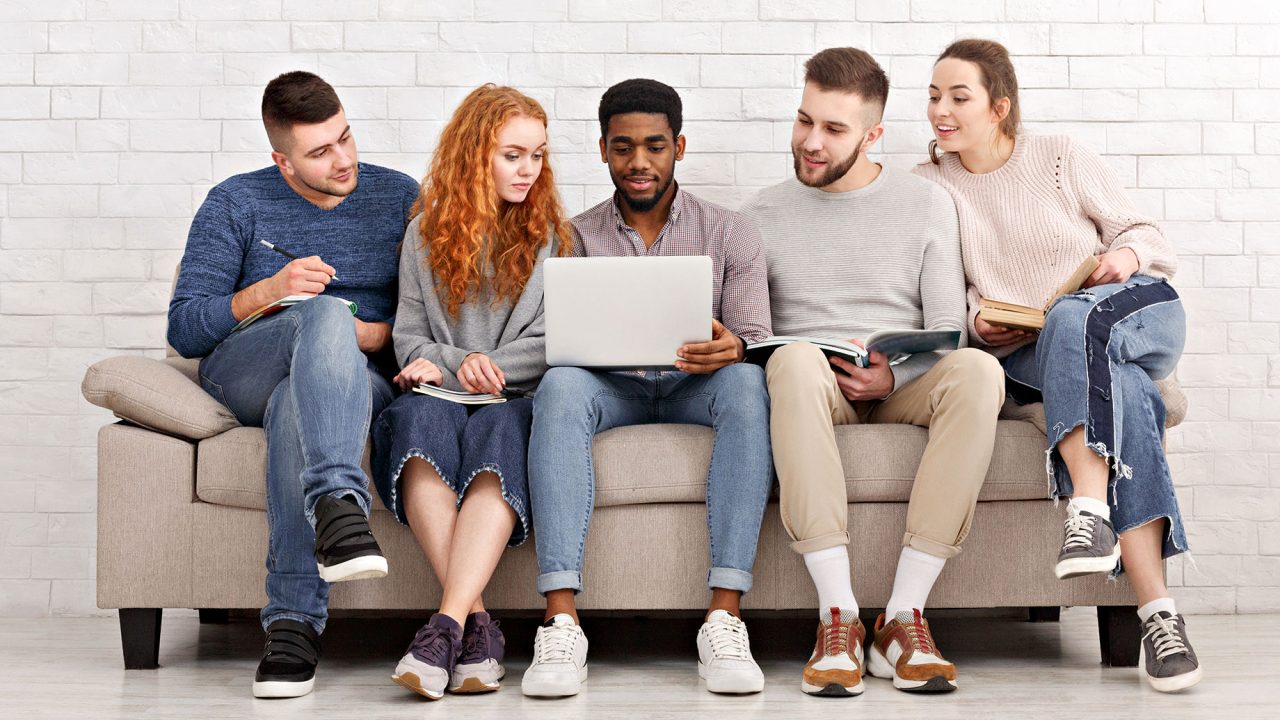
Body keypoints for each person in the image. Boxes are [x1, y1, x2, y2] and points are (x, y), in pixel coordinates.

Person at [913, 38, 1200, 693]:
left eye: (958, 96)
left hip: (1134, 310)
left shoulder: (1060, 157)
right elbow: (935, 295)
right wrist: (975, 325)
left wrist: (1122, 260)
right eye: (933, 95)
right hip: (1034, 349)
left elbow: (1147, 236)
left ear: (1000, 106)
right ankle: (1158, 616)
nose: (940, 110)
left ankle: (1088, 510)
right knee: (1128, 394)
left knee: (1075, 314)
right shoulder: (928, 189)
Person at [742, 48, 1006, 696]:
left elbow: (948, 324)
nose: (810, 141)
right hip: (811, 382)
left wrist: (894, 375)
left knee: (977, 370)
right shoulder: (758, 215)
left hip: (900, 383)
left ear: (873, 134)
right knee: (794, 358)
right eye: (804, 121)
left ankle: (903, 617)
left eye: (833, 129)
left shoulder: (926, 203)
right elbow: (751, 336)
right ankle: (839, 619)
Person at [166, 71, 420, 698]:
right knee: (315, 324)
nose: (343, 160)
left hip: (356, 379)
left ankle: (292, 623)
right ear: (281, 159)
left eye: (345, 138)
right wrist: (270, 291)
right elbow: (187, 329)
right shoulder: (235, 202)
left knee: (296, 403)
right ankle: (338, 502)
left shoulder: (399, 197)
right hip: (248, 366)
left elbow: (428, 316)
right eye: (319, 152)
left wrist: (363, 332)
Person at [521, 78, 774, 698]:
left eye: (655, 146)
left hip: (698, 385)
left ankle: (724, 617)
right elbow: (552, 335)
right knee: (557, 387)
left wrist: (734, 346)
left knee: (746, 384)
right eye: (624, 147)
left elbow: (757, 336)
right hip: (613, 388)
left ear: (678, 148)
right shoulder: (571, 236)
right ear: (603, 150)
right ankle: (560, 622)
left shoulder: (729, 231)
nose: (639, 162)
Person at [370, 84, 571, 701]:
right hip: (440, 395)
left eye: (536, 156)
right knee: (413, 424)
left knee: (502, 434)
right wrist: (459, 365)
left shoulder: (553, 238)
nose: (528, 170)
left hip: (514, 396)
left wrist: (485, 369)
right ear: (473, 154)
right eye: (513, 155)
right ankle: (478, 629)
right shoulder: (424, 235)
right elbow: (408, 336)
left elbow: (555, 339)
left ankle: (447, 623)